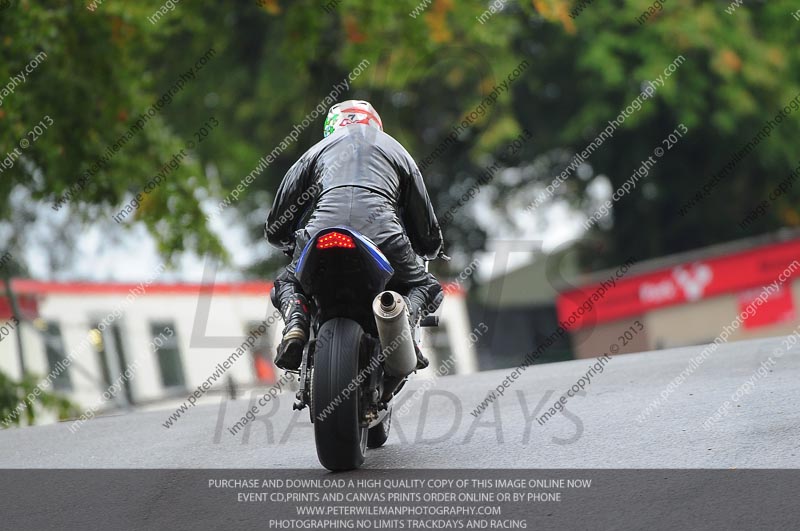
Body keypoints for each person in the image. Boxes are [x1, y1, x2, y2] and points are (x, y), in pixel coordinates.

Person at [265, 100, 444, 371]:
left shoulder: (315, 151)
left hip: (320, 231)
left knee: (287, 283)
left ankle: (296, 324)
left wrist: (293, 244)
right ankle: (403, 323)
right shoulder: (398, 151)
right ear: (376, 125)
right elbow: (426, 232)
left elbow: (276, 227)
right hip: (384, 234)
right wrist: (429, 248)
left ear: (331, 128)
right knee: (427, 286)